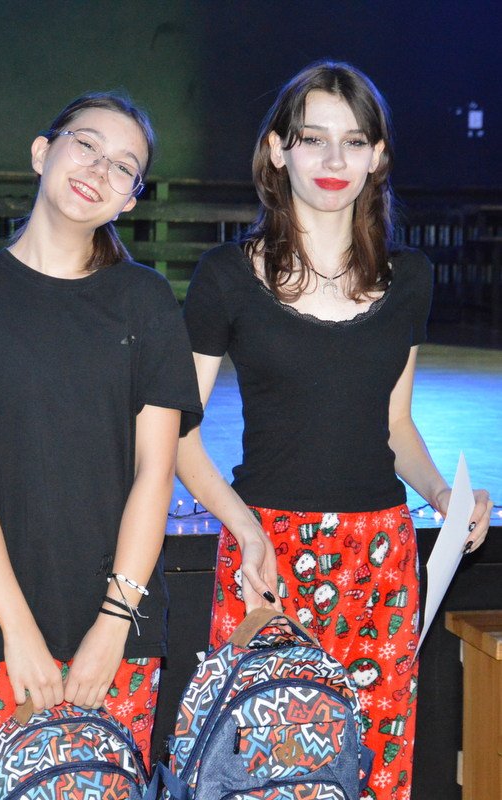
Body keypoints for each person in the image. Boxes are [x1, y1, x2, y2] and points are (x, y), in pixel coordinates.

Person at [177, 61, 493, 799]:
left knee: (372, 769)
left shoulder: (409, 277)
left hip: (380, 558)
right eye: (312, 138)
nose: (332, 159)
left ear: (377, 157)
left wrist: (443, 496)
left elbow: (394, 424)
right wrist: (243, 527)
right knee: (259, 770)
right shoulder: (225, 275)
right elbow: (175, 433)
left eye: (353, 142)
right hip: (266, 556)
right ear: (278, 149)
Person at [0, 91, 202, 798]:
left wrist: (113, 625)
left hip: (116, 639)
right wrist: (19, 631)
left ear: (130, 198)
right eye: (86, 144)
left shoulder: (147, 302)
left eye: (123, 165)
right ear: (43, 152)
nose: (99, 169)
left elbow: (155, 475)